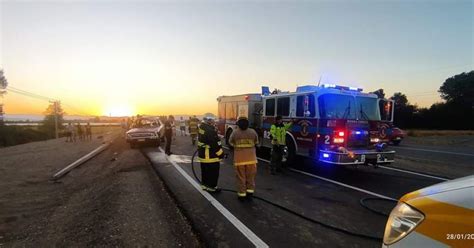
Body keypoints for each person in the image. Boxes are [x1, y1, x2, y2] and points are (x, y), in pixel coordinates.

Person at [228, 117, 259, 201]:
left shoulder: (235, 132)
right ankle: (250, 193)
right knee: (250, 177)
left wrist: (236, 146)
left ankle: (242, 194)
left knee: (241, 177)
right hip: (251, 160)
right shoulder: (252, 132)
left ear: (238, 123)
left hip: (239, 160)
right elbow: (256, 142)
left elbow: (230, 142)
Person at [198, 116, 225, 193]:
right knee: (213, 173)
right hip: (210, 156)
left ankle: (204, 185)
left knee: (205, 171)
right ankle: (212, 187)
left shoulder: (202, 127)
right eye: (213, 120)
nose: (214, 122)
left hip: (203, 154)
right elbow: (215, 145)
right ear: (209, 121)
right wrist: (221, 154)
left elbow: (206, 139)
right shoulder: (210, 130)